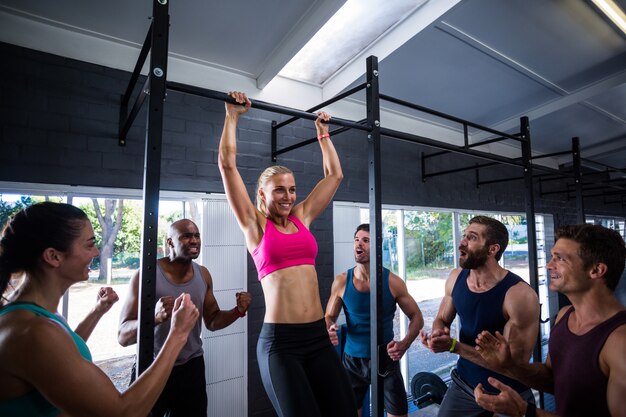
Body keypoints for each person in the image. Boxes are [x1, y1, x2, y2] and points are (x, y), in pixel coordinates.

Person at [217, 91, 356, 417]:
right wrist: (232, 116)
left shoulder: (302, 217)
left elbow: (334, 176)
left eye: (292, 189)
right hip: (281, 344)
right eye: (280, 189)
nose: (288, 196)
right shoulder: (254, 224)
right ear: (262, 193)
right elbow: (227, 164)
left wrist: (322, 133)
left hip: (318, 337)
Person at [0, 202, 199, 417]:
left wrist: (97, 310)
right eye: (89, 245)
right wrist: (178, 334)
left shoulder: (30, 313)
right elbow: (123, 412)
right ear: (54, 256)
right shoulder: (32, 332)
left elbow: (64, 349)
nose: (96, 252)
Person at [473, 224, 626, 417]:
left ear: (596, 270)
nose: (549, 265)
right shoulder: (564, 316)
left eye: (560, 258)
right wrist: (509, 365)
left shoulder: (620, 340)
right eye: (552, 256)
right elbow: (553, 380)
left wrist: (524, 411)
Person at [118, 218, 252, 417]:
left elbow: (213, 320)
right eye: (186, 236)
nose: (194, 240)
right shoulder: (145, 275)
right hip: (153, 365)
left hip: (191, 368)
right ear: (170, 242)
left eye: (197, 235)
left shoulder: (203, 275)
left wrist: (237, 311)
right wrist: (154, 318)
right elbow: (123, 336)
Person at [419, 215, 539, 417]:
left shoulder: (519, 295)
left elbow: (513, 364)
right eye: (464, 236)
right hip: (464, 384)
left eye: (472, 238)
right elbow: (442, 318)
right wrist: (438, 334)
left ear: (493, 249)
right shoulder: (456, 278)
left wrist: (453, 347)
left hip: (508, 392)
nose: (462, 242)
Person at [325, 223, 424, 417]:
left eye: (365, 240)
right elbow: (329, 316)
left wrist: (404, 344)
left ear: (377, 246)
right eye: (356, 239)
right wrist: (328, 328)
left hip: (386, 359)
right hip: (352, 360)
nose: (358, 244)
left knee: (398, 414)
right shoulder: (342, 282)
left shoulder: (393, 282)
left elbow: (417, 317)